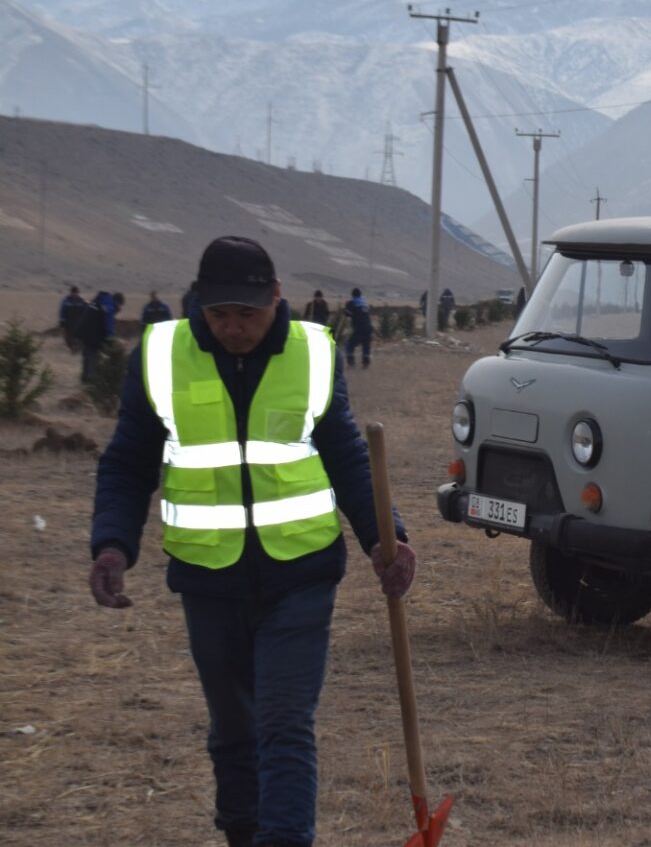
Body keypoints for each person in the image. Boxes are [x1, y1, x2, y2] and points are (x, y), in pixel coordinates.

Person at [89, 236, 417, 847]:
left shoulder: (313, 353)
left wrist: (385, 536)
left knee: (285, 723)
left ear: (276, 296)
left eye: (247, 313)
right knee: (234, 728)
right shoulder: (159, 356)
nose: (233, 328)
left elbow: (345, 453)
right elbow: (128, 461)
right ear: (199, 302)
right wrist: (112, 544)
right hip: (207, 576)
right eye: (219, 314)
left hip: (302, 571)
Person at [343, 287, 373, 369]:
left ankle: (351, 363)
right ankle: (366, 363)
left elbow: (347, 314)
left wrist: (345, 310)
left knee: (349, 344)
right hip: (369, 327)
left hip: (359, 328)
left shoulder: (352, 303)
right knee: (366, 345)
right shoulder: (365, 303)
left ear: (352, 295)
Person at [59, 285, 87, 352]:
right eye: (74, 293)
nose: (75, 294)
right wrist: (62, 323)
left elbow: (85, 311)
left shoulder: (81, 301)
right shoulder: (66, 301)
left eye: (76, 293)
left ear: (78, 293)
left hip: (78, 323)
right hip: (68, 323)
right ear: (71, 293)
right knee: (68, 338)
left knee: (77, 338)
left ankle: (76, 349)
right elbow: (62, 312)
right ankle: (71, 348)